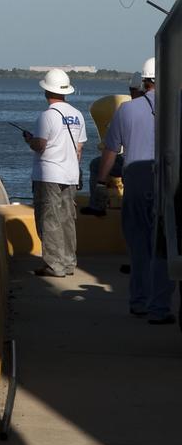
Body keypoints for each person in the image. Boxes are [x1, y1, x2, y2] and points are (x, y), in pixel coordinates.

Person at [95, 57, 174, 324]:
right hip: (169, 184)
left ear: (144, 81)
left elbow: (110, 151)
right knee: (164, 247)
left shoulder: (127, 111)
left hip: (136, 184)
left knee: (139, 248)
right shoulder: (177, 107)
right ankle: (159, 308)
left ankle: (139, 301)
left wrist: (100, 182)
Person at [23, 68, 86, 278]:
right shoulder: (77, 115)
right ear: (65, 91)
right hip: (70, 174)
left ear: (46, 92)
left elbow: (40, 145)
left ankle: (54, 265)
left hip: (48, 174)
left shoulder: (46, 116)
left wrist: (29, 140)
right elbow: (79, 149)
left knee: (48, 219)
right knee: (67, 218)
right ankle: (68, 262)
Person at [81, 72, 141, 217]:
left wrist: (101, 182)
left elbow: (112, 147)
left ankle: (97, 205)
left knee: (96, 165)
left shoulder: (126, 110)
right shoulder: (162, 108)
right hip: (153, 165)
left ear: (134, 90)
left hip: (130, 165)